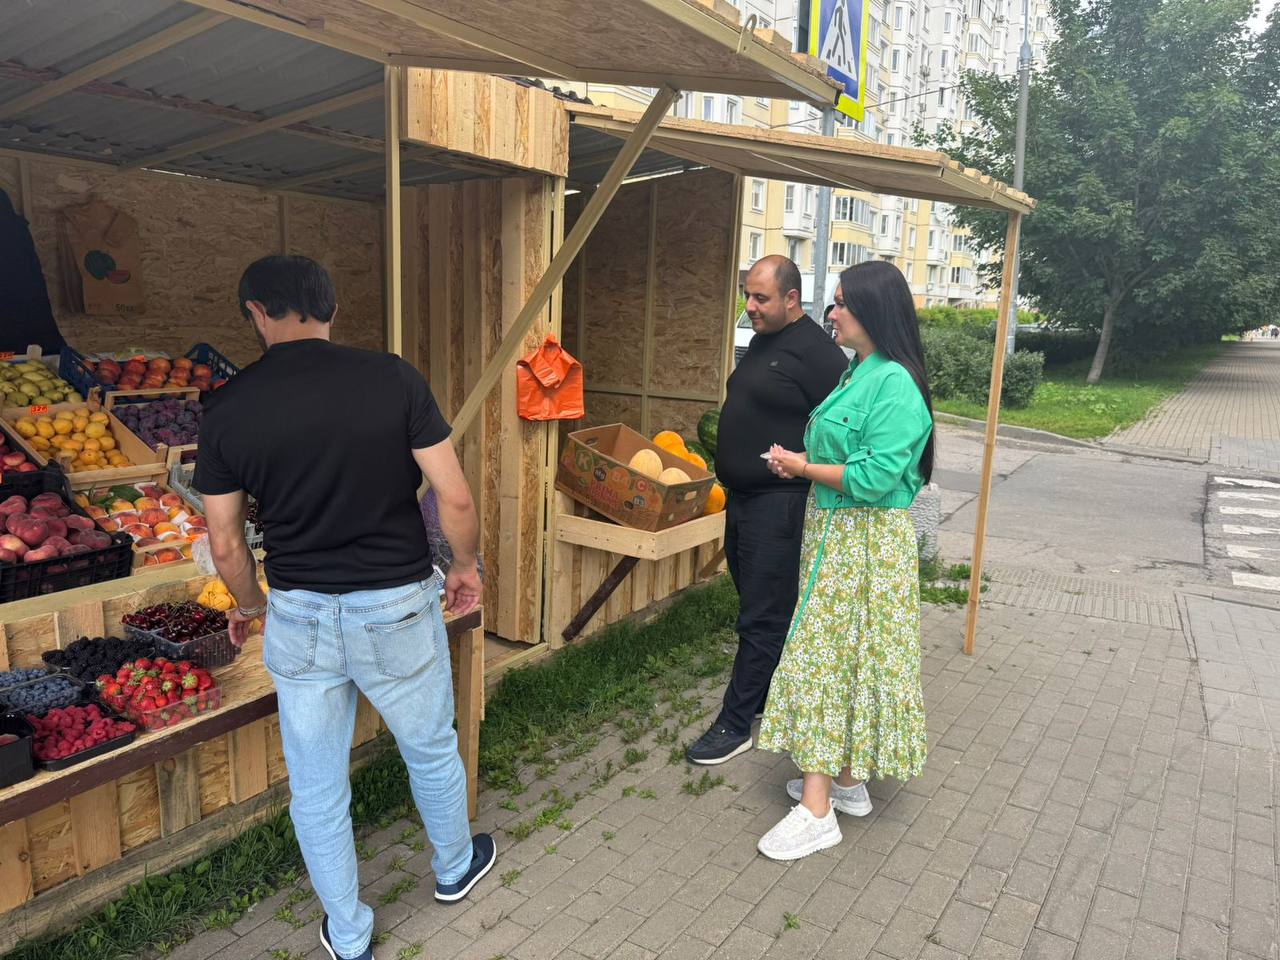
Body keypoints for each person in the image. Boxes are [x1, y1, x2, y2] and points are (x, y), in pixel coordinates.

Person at [196, 256, 494, 960]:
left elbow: (225, 543)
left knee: (317, 786)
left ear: (256, 313)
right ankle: (454, 867)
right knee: (430, 747)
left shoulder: (228, 408)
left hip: (299, 614)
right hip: (395, 605)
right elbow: (453, 497)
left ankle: (350, 933)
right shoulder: (392, 378)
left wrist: (253, 607)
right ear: (331, 308)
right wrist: (464, 567)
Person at [754, 259, 933, 861]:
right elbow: (848, 453)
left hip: (865, 542)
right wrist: (803, 463)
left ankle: (817, 810)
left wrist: (804, 467)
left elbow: (876, 477)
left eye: (840, 303)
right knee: (849, 657)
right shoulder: (859, 371)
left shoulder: (895, 383)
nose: (830, 313)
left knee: (821, 658)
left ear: (872, 310)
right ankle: (848, 781)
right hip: (838, 535)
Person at [686, 255, 848, 765]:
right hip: (743, 500)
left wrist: (807, 464)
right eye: (747, 296)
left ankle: (735, 723)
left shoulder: (818, 354)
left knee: (763, 615)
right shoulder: (762, 341)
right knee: (756, 605)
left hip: (780, 505)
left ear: (792, 299)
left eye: (761, 298)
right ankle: (765, 694)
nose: (750, 306)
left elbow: (845, 426)